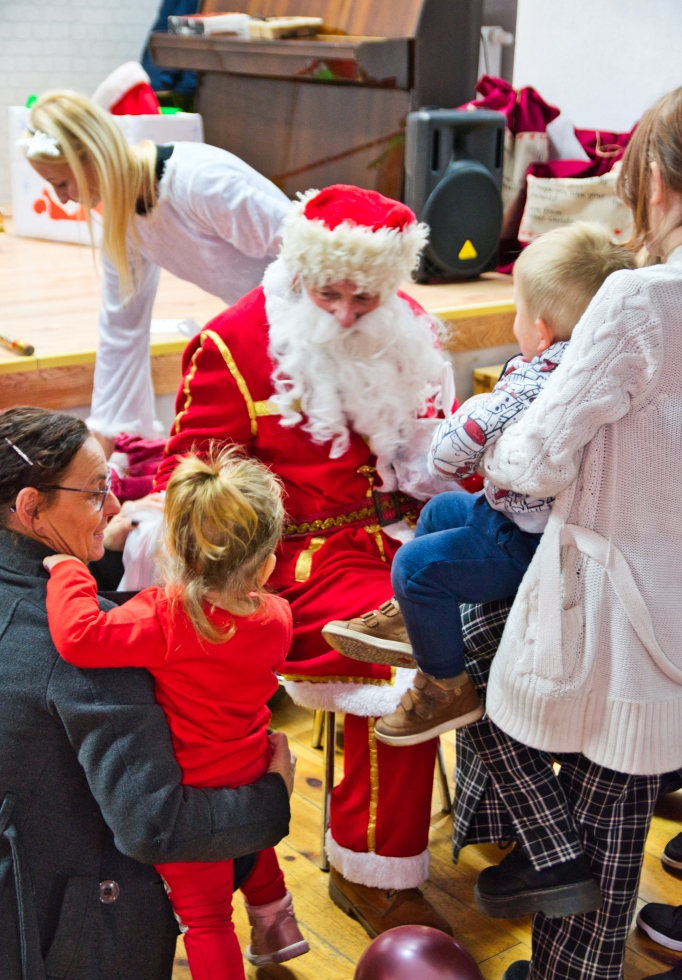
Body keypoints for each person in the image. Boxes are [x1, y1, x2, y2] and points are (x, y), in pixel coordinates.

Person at [124, 184, 463, 937]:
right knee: (404, 650)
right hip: (290, 564)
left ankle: (501, 819)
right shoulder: (234, 344)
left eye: (364, 298)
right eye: (329, 293)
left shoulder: (407, 326)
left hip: (406, 539)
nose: (344, 313)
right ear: (301, 270)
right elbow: (189, 482)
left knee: (515, 607)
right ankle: (371, 868)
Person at [461, 85, 682, 980]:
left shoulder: (642, 297)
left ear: (657, 180)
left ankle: (556, 907)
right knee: (625, 789)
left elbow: (537, 457)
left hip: (615, 587)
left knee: (468, 644)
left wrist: (494, 435)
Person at [0, 406, 294, 980]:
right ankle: (262, 944)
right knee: (216, 898)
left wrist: (81, 568)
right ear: (30, 507)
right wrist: (274, 797)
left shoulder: (140, 619)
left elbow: (95, 622)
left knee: (208, 902)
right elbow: (154, 828)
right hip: (54, 941)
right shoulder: (274, 616)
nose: (113, 506)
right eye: (96, 490)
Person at [323, 223, 635, 746]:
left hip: (532, 547)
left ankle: (446, 686)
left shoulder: (532, 383)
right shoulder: (611, 368)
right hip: (527, 518)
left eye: (516, 312)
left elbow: (446, 457)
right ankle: (411, 621)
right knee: (439, 513)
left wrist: (476, 413)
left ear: (540, 332)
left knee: (414, 565)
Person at [19, 90, 290, 447]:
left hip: (316, 318)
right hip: (270, 329)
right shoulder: (123, 220)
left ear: (95, 157)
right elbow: (121, 327)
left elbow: (309, 249)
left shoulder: (200, 183)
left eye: (61, 184)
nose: (62, 199)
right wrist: (108, 435)